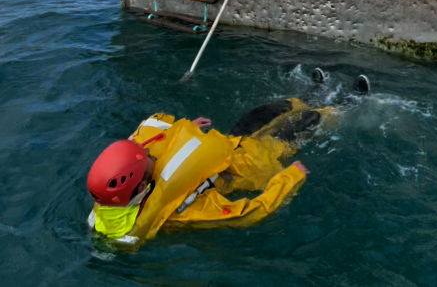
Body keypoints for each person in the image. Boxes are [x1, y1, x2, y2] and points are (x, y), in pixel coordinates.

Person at [86, 69, 370, 249]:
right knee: (306, 123)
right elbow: (248, 213)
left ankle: (311, 93)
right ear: (139, 187)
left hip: (229, 144)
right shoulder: (180, 211)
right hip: (249, 163)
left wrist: (187, 130)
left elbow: (162, 146)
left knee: (267, 111)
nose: (148, 152)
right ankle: (348, 103)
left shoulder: (124, 190)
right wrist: (289, 178)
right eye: (145, 157)